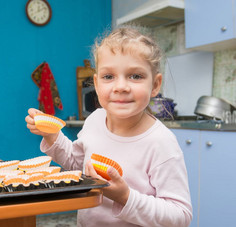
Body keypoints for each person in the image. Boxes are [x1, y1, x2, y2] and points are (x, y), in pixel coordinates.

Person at [25, 26, 192, 227]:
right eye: (108, 77)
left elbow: (180, 216)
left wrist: (125, 197)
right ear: (96, 84)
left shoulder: (161, 143)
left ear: (155, 85)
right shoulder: (95, 120)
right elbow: (78, 165)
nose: (120, 86)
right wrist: (52, 136)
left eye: (135, 76)